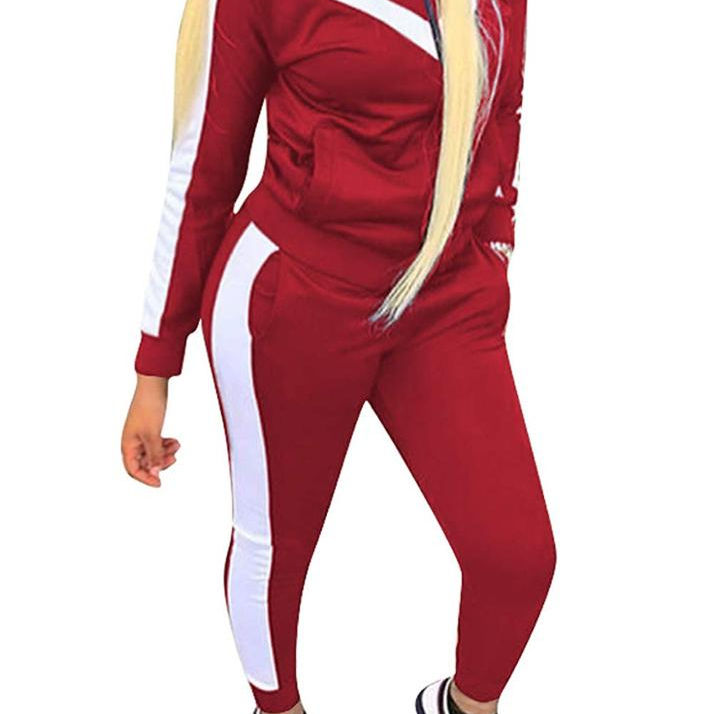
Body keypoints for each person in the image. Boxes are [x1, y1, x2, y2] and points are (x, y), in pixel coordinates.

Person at [121, 0, 556, 713]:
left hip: (443, 299)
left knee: (517, 558)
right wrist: (155, 365)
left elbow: (500, 105)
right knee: (275, 552)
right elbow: (201, 174)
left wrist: (494, 243)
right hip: (290, 300)